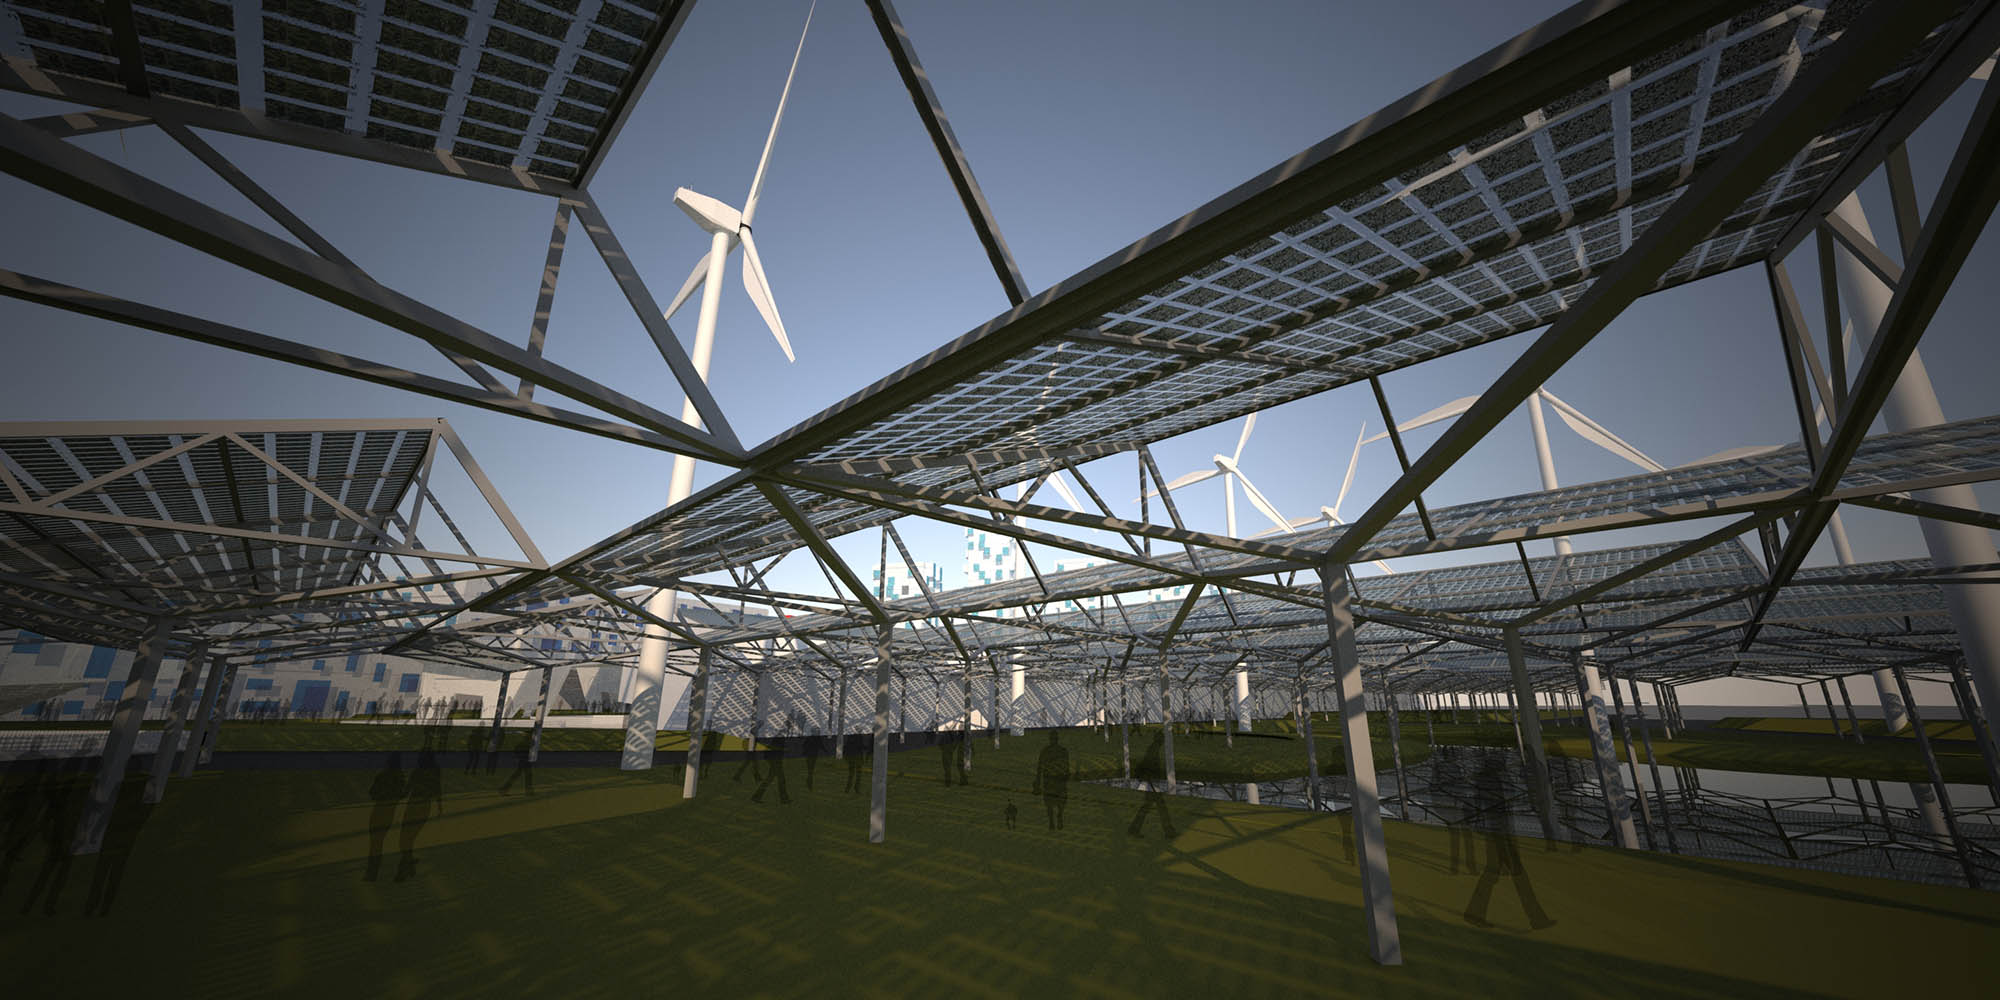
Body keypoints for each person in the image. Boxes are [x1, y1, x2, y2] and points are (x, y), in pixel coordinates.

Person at [398, 739, 444, 882]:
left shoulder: (417, 771)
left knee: (405, 836)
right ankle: (408, 861)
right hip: (425, 805)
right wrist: (439, 805)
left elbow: (406, 791)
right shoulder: (435, 771)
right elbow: (437, 788)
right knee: (412, 835)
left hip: (413, 804)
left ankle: (406, 864)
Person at [1127, 731, 1176, 838]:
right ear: (1159, 739)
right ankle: (1168, 831)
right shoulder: (1153, 749)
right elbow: (1149, 765)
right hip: (1153, 782)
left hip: (1152, 782)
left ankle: (1134, 828)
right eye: (1162, 739)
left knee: (1148, 806)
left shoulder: (1153, 748)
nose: (1163, 741)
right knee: (1160, 807)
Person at [366, 752, 406, 880]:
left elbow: (372, 793)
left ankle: (372, 871)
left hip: (378, 811)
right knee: (380, 841)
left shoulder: (382, 775)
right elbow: (402, 794)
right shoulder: (400, 777)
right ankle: (374, 871)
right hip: (390, 812)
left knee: (374, 842)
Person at [1033, 731, 1071, 830]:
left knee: (1051, 802)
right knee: (1057, 802)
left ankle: (1054, 819)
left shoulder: (1046, 751)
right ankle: (1056, 818)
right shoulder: (1062, 751)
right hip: (1055, 779)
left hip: (1051, 779)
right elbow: (1066, 766)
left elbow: (1040, 768)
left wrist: (1038, 782)